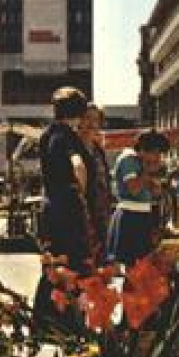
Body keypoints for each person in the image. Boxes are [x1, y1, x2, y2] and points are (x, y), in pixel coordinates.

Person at [33, 86, 93, 326]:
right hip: (68, 208)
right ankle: (66, 321)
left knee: (54, 263)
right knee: (72, 265)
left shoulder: (47, 135)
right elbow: (77, 165)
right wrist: (81, 192)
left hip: (51, 206)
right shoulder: (67, 137)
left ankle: (45, 318)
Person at [107, 130, 171, 265]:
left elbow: (155, 193)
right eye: (156, 153)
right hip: (129, 215)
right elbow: (134, 189)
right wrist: (148, 170)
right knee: (132, 267)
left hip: (143, 215)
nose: (158, 158)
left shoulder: (141, 164)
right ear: (143, 150)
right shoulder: (128, 160)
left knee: (143, 265)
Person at [79, 104, 113, 267]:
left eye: (95, 119)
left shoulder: (98, 150)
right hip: (81, 216)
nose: (91, 123)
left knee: (100, 265)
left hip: (101, 215)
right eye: (87, 118)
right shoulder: (72, 148)